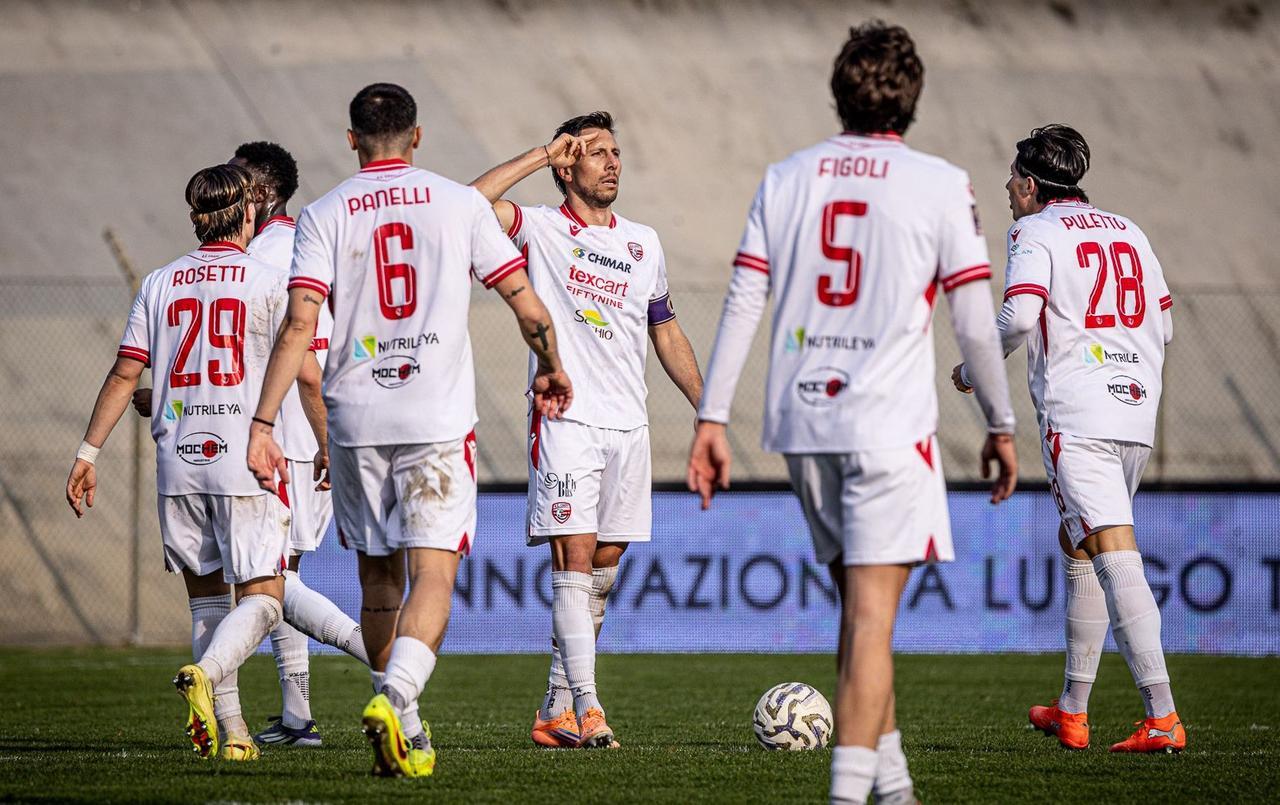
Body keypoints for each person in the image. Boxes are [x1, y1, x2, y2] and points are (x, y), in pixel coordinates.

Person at [686, 22, 1017, 804]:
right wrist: (1001, 422)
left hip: (803, 424)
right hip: (886, 426)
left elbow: (744, 298)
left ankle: (894, 788)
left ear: (838, 91)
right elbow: (975, 321)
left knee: (859, 616)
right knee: (872, 619)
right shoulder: (939, 182)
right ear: (913, 97)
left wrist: (712, 417)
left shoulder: (787, 176)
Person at [245, 82, 572, 778]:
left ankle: (409, 731)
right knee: (433, 573)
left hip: (355, 419)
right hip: (436, 419)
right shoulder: (457, 203)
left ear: (352, 139)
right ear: (417, 135)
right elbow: (525, 303)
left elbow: (299, 325)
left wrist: (263, 423)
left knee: (377, 583)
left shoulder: (324, 213)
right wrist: (550, 365)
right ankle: (395, 698)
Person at [470, 112, 704, 749]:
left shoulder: (643, 243)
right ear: (568, 165)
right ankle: (589, 707)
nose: (612, 162)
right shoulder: (538, 227)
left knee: (604, 566)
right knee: (573, 562)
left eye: (616, 152)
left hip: (629, 424)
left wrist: (705, 405)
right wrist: (540, 154)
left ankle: (554, 707)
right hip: (564, 416)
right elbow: (469, 205)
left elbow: (665, 329)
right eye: (596, 152)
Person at [130, 142, 370, 748]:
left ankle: (377, 659)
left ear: (257, 195)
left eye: (237, 183)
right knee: (276, 576)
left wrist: (174, 395)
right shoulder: (318, 240)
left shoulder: (253, 257)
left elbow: (252, 356)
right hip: (310, 425)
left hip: (268, 434)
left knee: (269, 582)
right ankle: (296, 713)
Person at [953, 124, 1183, 753]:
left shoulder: (1035, 230)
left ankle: (1163, 715)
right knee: (1078, 543)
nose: (1007, 188)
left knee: (1111, 550)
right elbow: (1163, 327)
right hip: (1136, 411)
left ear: (1031, 185)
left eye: (1012, 178)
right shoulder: (1129, 229)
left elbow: (1019, 317)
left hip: (1079, 414)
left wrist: (973, 367)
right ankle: (1073, 710)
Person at [66, 164, 292, 762]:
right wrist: (325, 443)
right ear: (248, 212)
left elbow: (125, 373)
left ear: (196, 218)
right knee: (265, 598)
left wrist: (88, 452)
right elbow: (309, 374)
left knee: (207, 602)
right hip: (245, 458)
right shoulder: (270, 280)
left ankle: (235, 734)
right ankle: (207, 675)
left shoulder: (159, 281)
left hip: (180, 461)